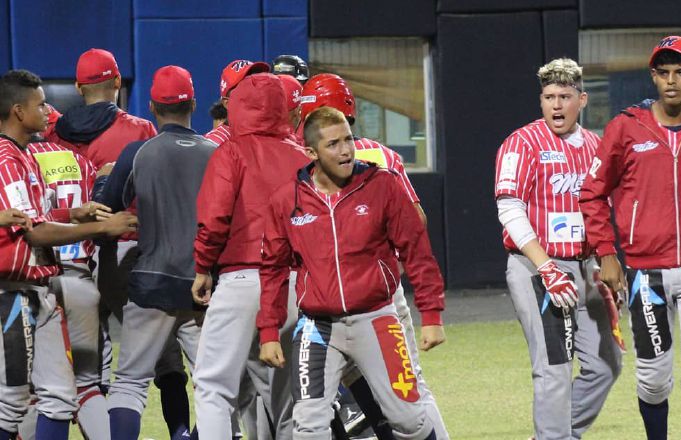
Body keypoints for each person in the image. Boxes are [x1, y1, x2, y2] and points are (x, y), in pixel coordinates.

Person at [579, 36, 681, 440]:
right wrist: (606, 252)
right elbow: (592, 192)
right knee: (653, 380)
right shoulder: (626, 128)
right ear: (653, 75)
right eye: (664, 72)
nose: (672, 81)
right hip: (647, 272)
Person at [257, 106, 445, 440]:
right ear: (312, 152)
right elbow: (272, 269)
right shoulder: (288, 200)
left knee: (409, 420)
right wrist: (269, 330)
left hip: (377, 320)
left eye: (348, 140)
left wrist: (430, 313)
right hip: (317, 328)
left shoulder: (382, 185)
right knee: (309, 428)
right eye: (333, 144)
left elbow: (416, 250)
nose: (345, 150)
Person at [0, 69, 136, 440]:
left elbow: (37, 219)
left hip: (39, 291)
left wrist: (70, 213)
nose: (48, 110)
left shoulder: (25, 155)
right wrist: (101, 228)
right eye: (40, 104)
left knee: (60, 396)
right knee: (12, 400)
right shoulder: (7, 158)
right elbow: (35, 232)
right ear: (17, 111)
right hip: (11, 293)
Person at [493, 58, 622, 440]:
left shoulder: (597, 146)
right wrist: (546, 267)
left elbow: (604, 209)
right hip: (538, 267)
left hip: (587, 269)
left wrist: (607, 260)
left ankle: (556, 434)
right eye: (549, 97)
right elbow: (509, 209)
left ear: (581, 99)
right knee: (554, 367)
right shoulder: (522, 143)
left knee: (606, 364)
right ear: (541, 100)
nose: (556, 105)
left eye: (565, 96)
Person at [95, 65, 214, 440]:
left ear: (151, 106)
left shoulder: (138, 153)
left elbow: (108, 210)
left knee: (130, 383)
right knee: (214, 388)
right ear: (193, 103)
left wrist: (102, 182)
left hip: (151, 282)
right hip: (203, 286)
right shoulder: (217, 152)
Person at [192, 72, 309, 439]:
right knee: (290, 399)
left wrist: (201, 267)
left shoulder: (231, 151)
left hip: (242, 278)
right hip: (293, 284)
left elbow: (214, 219)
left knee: (213, 386)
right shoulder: (301, 156)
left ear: (239, 107)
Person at [204, 59, 270, 146]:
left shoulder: (273, 138)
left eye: (257, 81)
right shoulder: (212, 144)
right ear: (227, 103)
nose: (255, 91)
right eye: (246, 86)